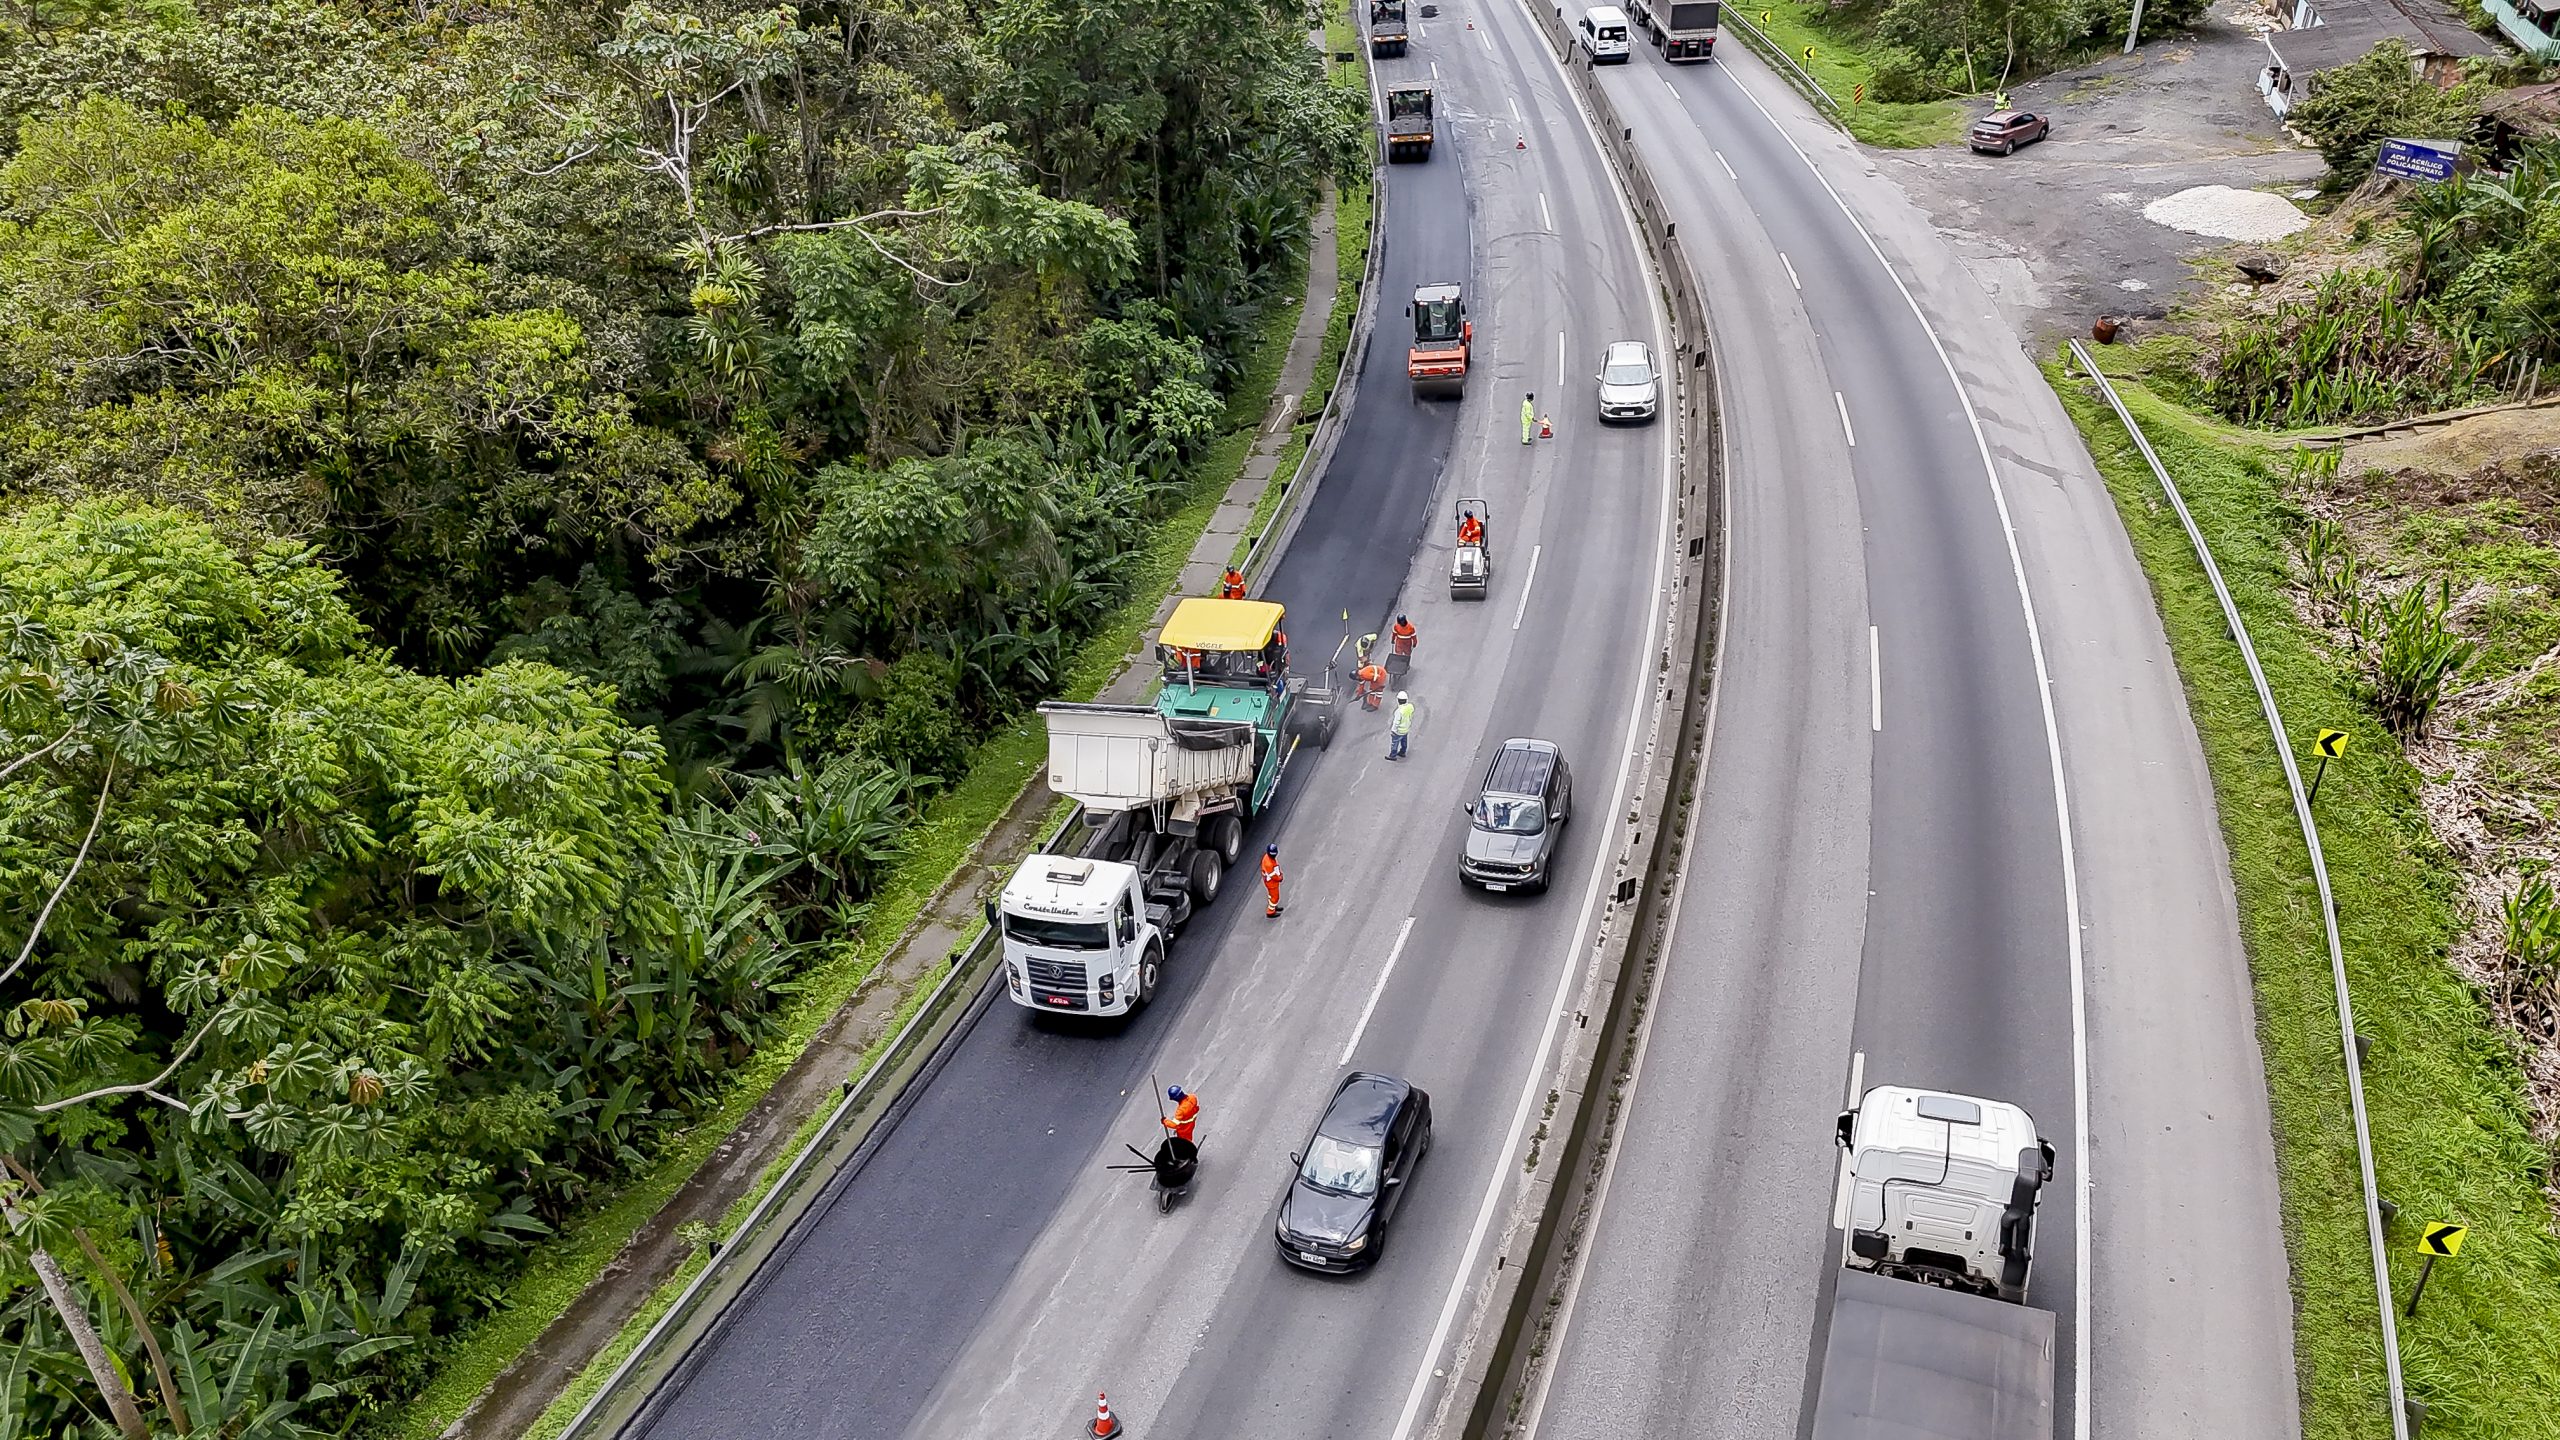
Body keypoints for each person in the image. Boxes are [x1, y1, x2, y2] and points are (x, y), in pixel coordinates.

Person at [1389, 692, 1414, 760]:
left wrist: (1393, 730)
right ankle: (1402, 752)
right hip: (1406, 729)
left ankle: (1392, 755)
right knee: (1404, 741)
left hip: (1398, 731)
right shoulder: (1410, 706)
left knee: (1395, 743)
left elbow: (1396, 722)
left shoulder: (1399, 711)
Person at [1261, 844, 1284, 918]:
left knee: (1272, 895)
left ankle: (1273, 907)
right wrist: (1279, 878)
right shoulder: (1269, 864)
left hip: (1270, 881)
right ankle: (1270, 911)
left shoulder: (1267, 857)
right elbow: (1273, 875)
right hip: (1272, 882)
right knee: (1275, 896)